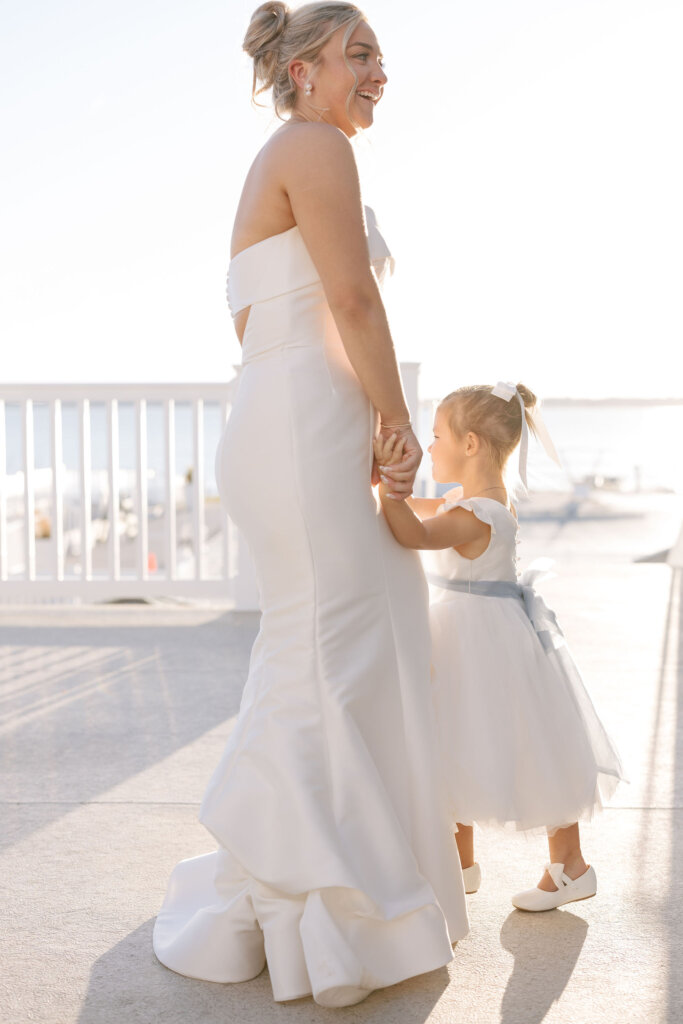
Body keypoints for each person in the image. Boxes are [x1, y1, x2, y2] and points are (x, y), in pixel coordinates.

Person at [152, 1, 468, 1008]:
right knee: (337, 645)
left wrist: (348, 411)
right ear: (301, 71)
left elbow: (260, 316)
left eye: (380, 55)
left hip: (284, 419)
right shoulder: (313, 148)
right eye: (359, 54)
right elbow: (353, 301)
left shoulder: (284, 159)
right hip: (305, 429)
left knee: (323, 644)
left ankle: (310, 879)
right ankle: (326, 905)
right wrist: (395, 420)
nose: (379, 72)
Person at [375, 381, 625, 912]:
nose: (431, 445)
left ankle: (570, 869)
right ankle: (459, 865)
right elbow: (424, 508)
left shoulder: (477, 516)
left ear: (470, 445)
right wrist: (389, 485)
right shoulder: (476, 500)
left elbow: (414, 534)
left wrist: (381, 494)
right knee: (457, 741)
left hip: (481, 641)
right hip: (476, 633)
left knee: (518, 747)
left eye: (438, 435)